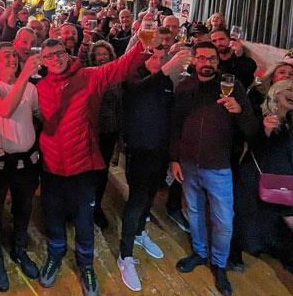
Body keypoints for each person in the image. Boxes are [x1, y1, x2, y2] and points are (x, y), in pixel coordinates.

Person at [35, 36, 154, 296]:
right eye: (49, 56)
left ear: (67, 53)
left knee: (84, 220)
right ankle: (55, 255)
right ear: (42, 61)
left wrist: (142, 45)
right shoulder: (40, 86)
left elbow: (120, 67)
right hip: (51, 167)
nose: (56, 59)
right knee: (53, 216)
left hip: (82, 165)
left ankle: (86, 264)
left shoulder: (88, 76)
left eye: (59, 53)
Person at [169, 41, 258, 296]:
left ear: (218, 62)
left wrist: (239, 110)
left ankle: (219, 264)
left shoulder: (232, 86)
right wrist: (174, 159)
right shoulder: (185, 87)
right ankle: (199, 252)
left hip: (218, 165)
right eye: (202, 58)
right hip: (188, 163)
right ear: (194, 60)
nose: (206, 63)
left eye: (212, 59)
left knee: (224, 221)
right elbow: (175, 126)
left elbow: (251, 129)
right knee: (195, 212)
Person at [236, 81, 293, 296]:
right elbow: (252, 147)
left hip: (287, 192)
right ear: (276, 91)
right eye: (290, 89)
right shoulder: (258, 114)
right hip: (258, 189)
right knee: (241, 235)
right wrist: (266, 129)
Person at [117, 48, 189, 291]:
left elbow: (170, 118)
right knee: (136, 200)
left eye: (162, 58)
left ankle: (139, 233)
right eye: (154, 57)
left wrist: (172, 154)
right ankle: (125, 255)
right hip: (139, 151)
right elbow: (138, 92)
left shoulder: (166, 82)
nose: (159, 62)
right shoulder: (133, 77)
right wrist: (167, 68)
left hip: (159, 151)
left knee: (149, 197)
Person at [0, 43, 42, 291]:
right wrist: (25, 75)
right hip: (1, 161)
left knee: (24, 208)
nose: (12, 59)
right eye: (6, 55)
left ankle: (19, 249)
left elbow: (39, 115)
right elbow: (5, 110)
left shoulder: (31, 89)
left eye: (14, 55)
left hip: (27, 161)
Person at [87, 41, 123, 229]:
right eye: (98, 54)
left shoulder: (116, 76)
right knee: (87, 171)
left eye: (105, 54)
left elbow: (120, 105)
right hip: (89, 131)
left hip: (109, 131)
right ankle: (84, 205)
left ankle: (97, 206)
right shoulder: (88, 74)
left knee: (102, 171)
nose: (102, 57)